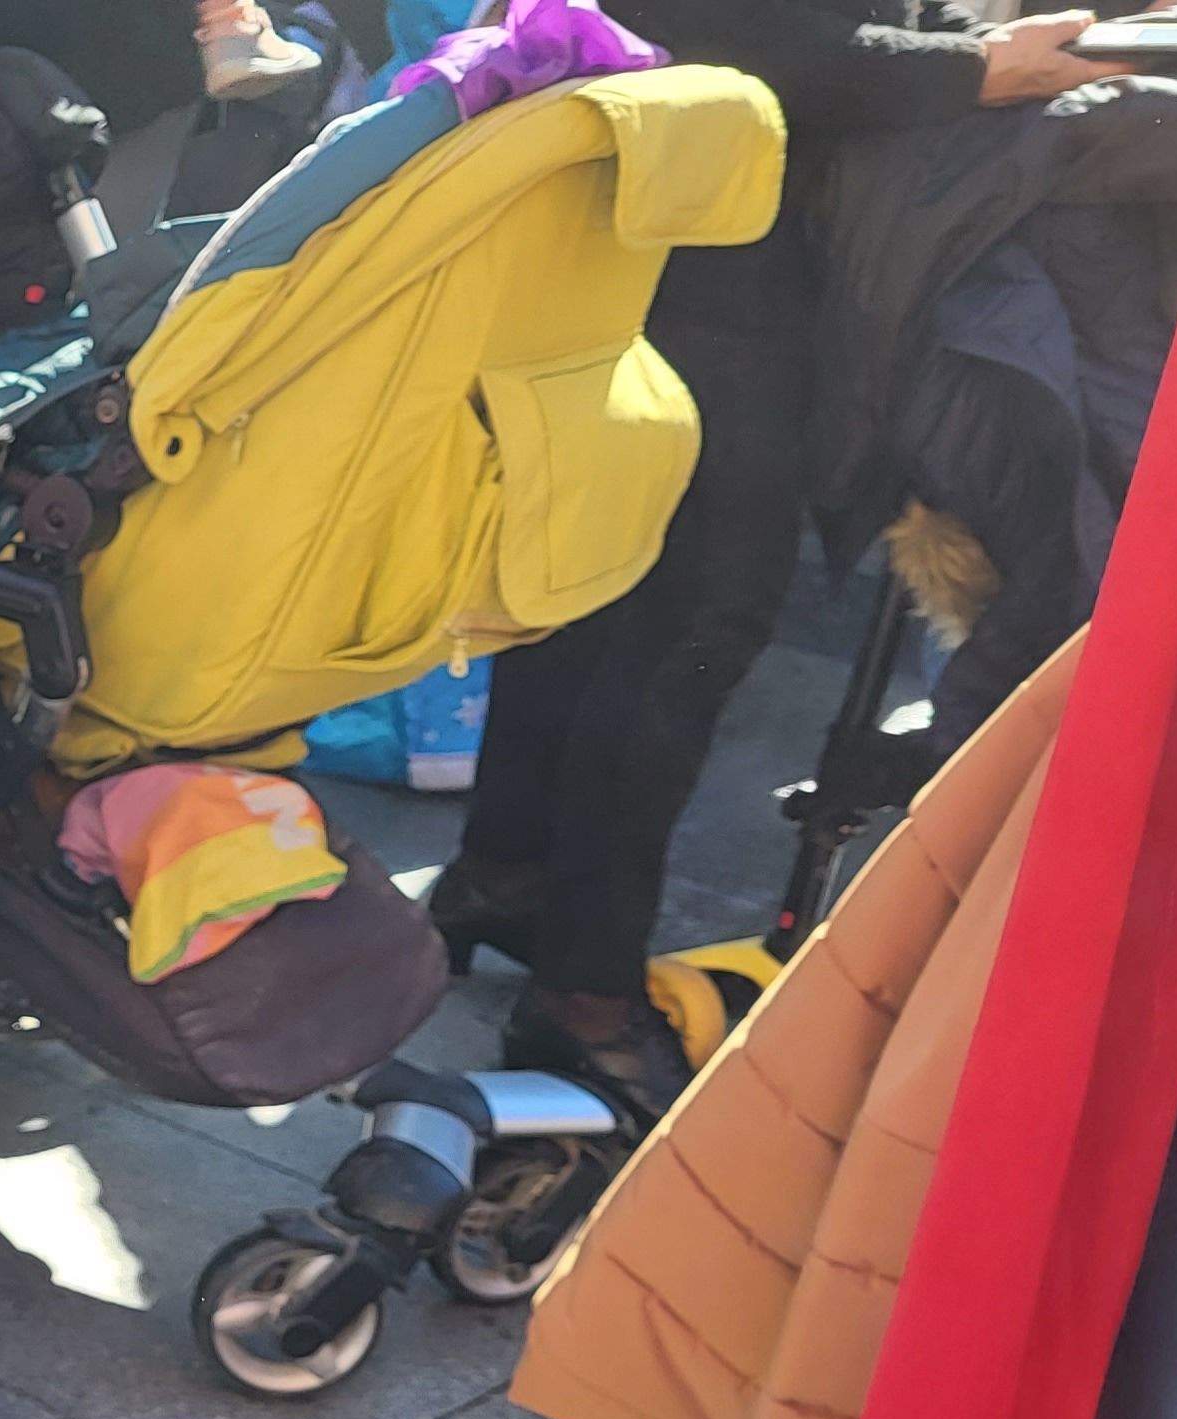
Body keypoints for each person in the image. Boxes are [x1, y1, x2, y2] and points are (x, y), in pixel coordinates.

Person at [426, 0, 1127, 1120]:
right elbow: (719, 33)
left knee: (595, 597)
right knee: (690, 625)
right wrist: (967, 68)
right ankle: (582, 994)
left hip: (664, 241)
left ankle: (506, 877)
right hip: (716, 263)